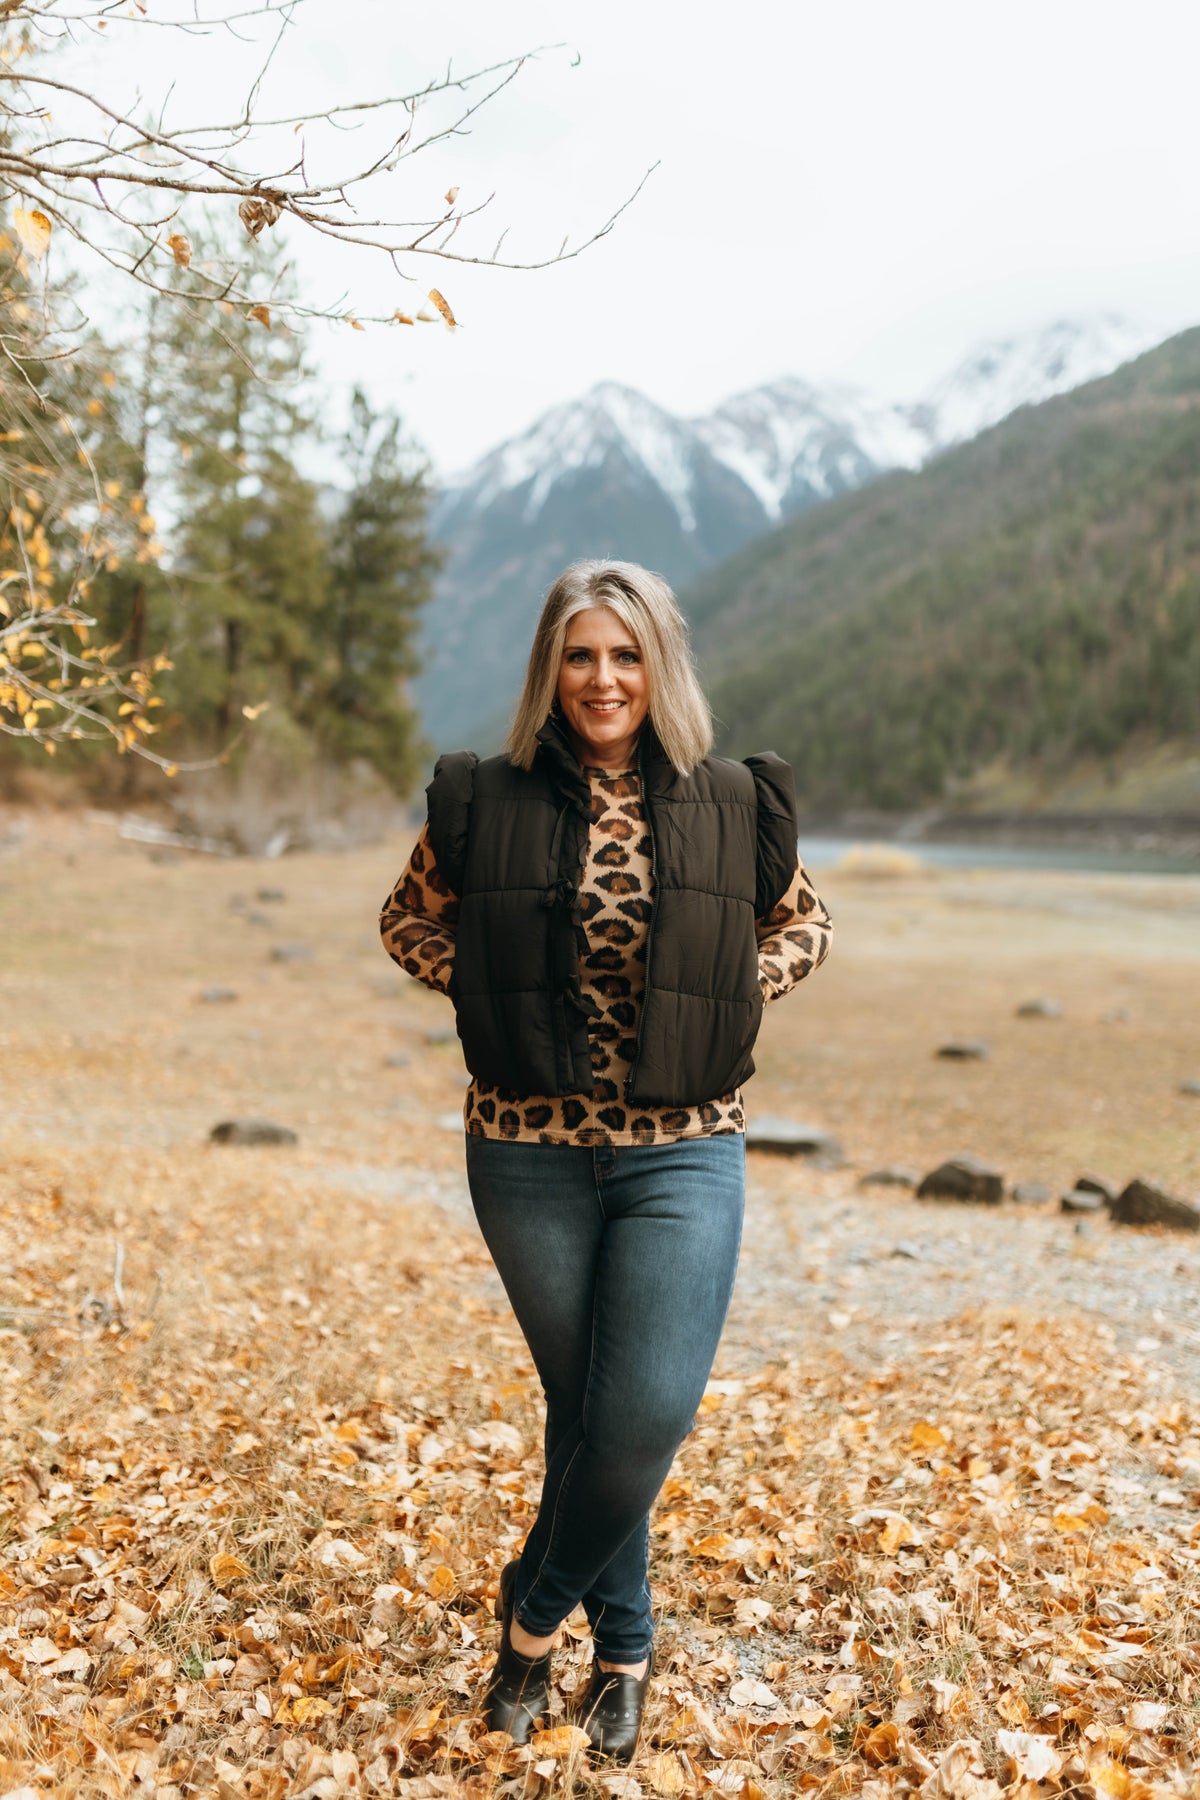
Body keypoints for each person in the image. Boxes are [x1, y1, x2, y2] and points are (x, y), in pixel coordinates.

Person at [379, 559, 833, 1763]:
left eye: (625, 654)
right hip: (525, 1155)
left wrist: (737, 988)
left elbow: (805, 923)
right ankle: (624, 1658)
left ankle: (530, 1624)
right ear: (551, 668)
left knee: (641, 1415)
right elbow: (406, 918)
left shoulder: (730, 801)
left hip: (683, 1151)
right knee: (585, 1410)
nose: (603, 678)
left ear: (659, 665)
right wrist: (482, 982)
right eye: (580, 655)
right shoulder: (486, 800)